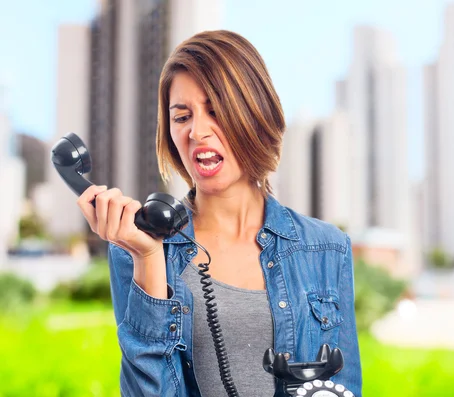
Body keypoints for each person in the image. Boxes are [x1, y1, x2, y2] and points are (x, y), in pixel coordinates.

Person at [77, 30, 362, 397]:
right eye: (182, 117)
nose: (197, 131)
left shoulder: (327, 249)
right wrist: (147, 257)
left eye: (215, 110)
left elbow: (344, 386)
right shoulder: (137, 250)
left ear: (255, 113)